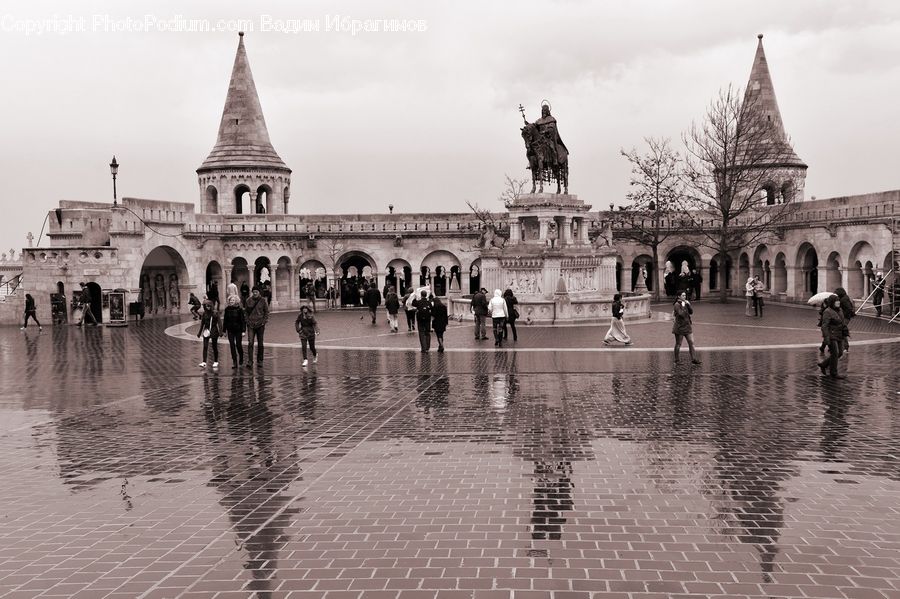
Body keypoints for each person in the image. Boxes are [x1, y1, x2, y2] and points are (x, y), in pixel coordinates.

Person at [817, 294, 846, 379]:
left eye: (838, 300)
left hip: (839, 334)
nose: (838, 302)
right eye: (836, 301)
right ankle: (834, 373)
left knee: (840, 353)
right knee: (835, 353)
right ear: (832, 302)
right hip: (831, 334)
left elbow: (842, 322)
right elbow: (824, 326)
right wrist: (826, 338)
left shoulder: (840, 310)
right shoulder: (827, 311)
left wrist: (844, 330)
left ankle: (823, 364)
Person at [672, 291, 701, 364]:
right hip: (679, 327)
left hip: (687, 326)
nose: (684, 297)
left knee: (691, 342)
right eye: (683, 295)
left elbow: (691, 312)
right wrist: (683, 306)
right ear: (679, 296)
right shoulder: (676, 304)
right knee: (678, 344)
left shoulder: (685, 303)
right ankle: (677, 360)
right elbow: (681, 314)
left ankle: (694, 359)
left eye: (685, 295)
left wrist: (688, 305)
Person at [245, 286, 269, 367]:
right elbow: (246, 313)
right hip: (251, 325)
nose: (255, 293)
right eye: (254, 292)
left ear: (259, 292)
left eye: (256, 292)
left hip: (260, 325)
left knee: (260, 343)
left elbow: (266, 312)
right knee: (250, 343)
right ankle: (250, 361)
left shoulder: (263, 300)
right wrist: (248, 322)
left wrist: (263, 322)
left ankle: (260, 360)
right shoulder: (248, 300)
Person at [222, 294, 246, 368]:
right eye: (230, 300)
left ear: (236, 301)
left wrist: (243, 331)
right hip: (230, 330)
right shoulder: (227, 309)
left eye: (233, 300)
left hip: (238, 330)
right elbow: (225, 320)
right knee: (232, 346)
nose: (231, 301)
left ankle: (241, 358)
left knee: (238, 345)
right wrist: (224, 330)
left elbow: (243, 321)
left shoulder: (240, 309)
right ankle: (234, 362)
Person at [197, 300, 222, 369]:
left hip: (214, 331)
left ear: (211, 306)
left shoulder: (215, 313)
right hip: (206, 331)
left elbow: (219, 322)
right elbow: (202, 324)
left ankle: (216, 361)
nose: (207, 307)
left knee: (214, 347)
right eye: (205, 306)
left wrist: (221, 331)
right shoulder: (205, 313)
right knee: (205, 346)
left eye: (208, 306)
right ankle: (204, 362)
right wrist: (199, 332)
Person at [834, 287, 855, 352]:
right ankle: (842, 346)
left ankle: (845, 347)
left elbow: (848, 308)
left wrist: (843, 314)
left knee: (842, 331)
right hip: (845, 317)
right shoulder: (843, 298)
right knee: (841, 330)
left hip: (845, 317)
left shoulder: (844, 299)